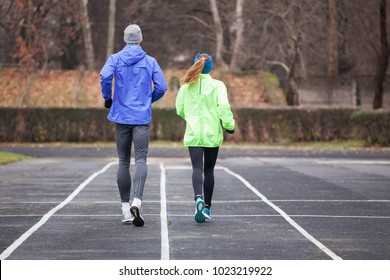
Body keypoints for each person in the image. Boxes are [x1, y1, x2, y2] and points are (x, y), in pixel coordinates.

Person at [100, 24, 168, 227]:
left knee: (122, 161)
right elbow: (162, 87)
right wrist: (148, 99)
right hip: (141, 118)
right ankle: (137, 201)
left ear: (124, 39)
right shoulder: (150, 61)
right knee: (141, 160)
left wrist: (107, 97)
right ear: (140, 39)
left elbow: (104, 76)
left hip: (121, 116)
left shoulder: (115, 59)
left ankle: (124, 210)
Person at [175, 52, 235, 223]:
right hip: (211, 134)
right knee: (209, 170)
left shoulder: (186, 86)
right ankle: (207, 206)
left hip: (194, 133)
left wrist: (191, 118)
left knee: (197, 168)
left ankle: (198, 198)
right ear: (210, 68)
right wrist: (230, 126)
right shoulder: (218, 86)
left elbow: (179, 108)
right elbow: (224, 107)